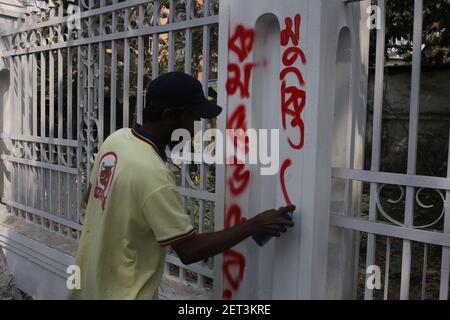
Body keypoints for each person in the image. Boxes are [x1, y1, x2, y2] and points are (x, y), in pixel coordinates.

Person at [70, 72, 295, 300]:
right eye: (192, 119)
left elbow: (91, 198)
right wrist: (253, 225)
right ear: (169, 116)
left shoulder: (116, 140)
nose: (193, 130)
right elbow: (189, 250)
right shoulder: (153, 174)